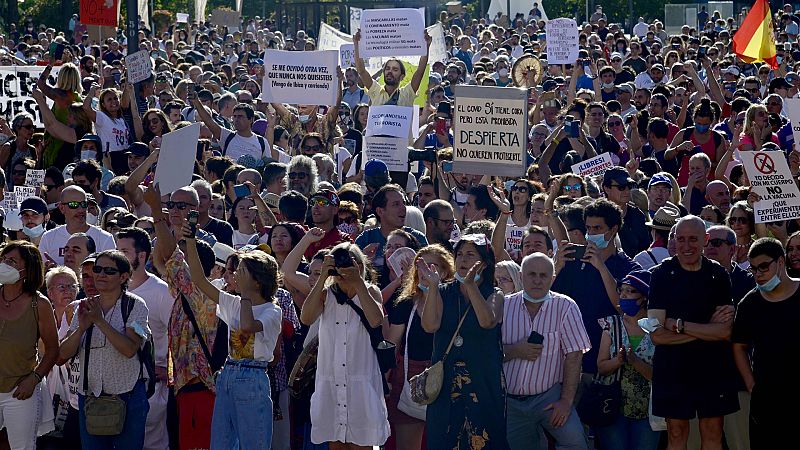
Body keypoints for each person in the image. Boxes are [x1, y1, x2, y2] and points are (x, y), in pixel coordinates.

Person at [183, 221, 283, 449]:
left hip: (253, 376)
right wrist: (190, 242)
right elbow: (199, 281)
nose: (235, 275)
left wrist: (246, 293)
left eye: (242, 272)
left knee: (252, 444)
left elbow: (247, 326)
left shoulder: (272, 310)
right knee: (222, 444)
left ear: (257, 280)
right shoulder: (234, 302)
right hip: (228, 372)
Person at [647, 216, 739, 450]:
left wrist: (679, 325)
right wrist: (708, 328)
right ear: (674, 240)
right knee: (676, 433)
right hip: (673, 368)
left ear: (705, 240)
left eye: (693, 240)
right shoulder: (660, 275)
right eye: (681, 240)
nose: (686, 246)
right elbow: (657, 336)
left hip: (713, 367)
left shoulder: (718, 275)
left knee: (713, 431)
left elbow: (725, 332)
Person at [418, 234, 508, 449]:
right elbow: (430, 326)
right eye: (459, 255)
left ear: (484, 263)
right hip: (446, 385)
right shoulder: (442, 290)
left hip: (483, 384)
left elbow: (487, 321)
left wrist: (471, 286)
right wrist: (432, 287)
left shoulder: (494, 294)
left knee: (486, 440)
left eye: (470, 255)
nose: (463, 260)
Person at [58, 250, 152, 450]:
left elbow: (129, 350)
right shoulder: (84, 306)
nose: (100, 275)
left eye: (108, 271)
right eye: (97, 269)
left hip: (128, 397)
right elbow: (62, 355)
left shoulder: (135, 305)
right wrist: (81, 328)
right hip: (91, 399)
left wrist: (99, 322)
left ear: (124, 276)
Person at [299, 242, 390, 448]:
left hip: (361, 382)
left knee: (363, 443)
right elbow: (306, 318)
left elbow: (376, 320)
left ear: (359, 265)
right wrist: (323, 276)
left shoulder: (370, 291)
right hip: (332, 381)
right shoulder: (326, 294)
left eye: (349, 261)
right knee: (336, 442)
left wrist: (358, 283)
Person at [502, 253, 590, 450]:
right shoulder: (504, 306)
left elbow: (575, 355)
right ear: (521, 276)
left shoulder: (565, 306)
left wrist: (566, 401)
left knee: (575, 443)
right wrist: (515, 350)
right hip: (511, 401)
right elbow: (488, 354)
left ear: (552, 278)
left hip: (549, 397)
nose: (537, 280)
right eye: (532, 274)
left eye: (543, 275)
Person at [385, 245, 455, 450]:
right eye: (419, 267)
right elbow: (392, 344)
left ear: (444, 272)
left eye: (430, 266)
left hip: (447, 376)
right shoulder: (406, 303)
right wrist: (385, 380)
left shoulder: (455, 302)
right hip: (408, 376)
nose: (424, 271)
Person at [733, 237, 800, 449]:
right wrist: (752, 385)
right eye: (753, 269)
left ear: (781, 262)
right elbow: (739, 346)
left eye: (763, 266)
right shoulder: (750, 303)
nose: (758, 274)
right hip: (767, 401)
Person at [115, 227, 174, 450]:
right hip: (117, 387)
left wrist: (167, 371)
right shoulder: (112, 290)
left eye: (124, 251)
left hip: (151, 389)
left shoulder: (160, 292)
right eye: (116, 250)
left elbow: (179, 335)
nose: (118, 256)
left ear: (141, 256)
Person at [0, 241, 59, 450]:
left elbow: (53, 349)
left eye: (12, 261)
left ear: (27, 270)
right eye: (3, 259)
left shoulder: (39, 304)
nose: (4, 264)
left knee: (22, 447)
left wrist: (33, 379)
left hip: (20, 390)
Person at [595, 270, 660, 450]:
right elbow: (601, 367)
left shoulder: (657, 328)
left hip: (648, 413)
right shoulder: (611, 324)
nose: (623, 295)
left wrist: (636, 362)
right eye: (621, 290)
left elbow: (661, 376)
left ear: (644, 297)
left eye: (630, 291)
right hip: (613, 409)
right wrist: (618, 361)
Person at [38, 186, 117, 266]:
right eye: (74, 204)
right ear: (62, 208)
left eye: (84, 204)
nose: (81, 209)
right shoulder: (48, 238)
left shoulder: (105, 238)